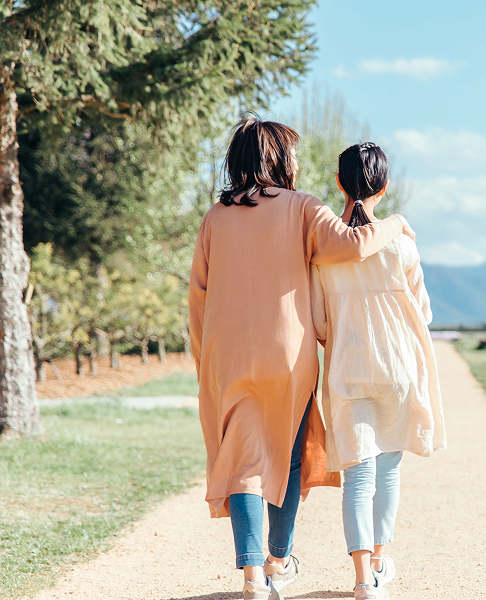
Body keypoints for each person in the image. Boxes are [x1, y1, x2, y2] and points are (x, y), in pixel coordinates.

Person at [188, 119, 417, 600]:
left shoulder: (214, 217)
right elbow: (354, 245)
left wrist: (203, 362)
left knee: (243, 462)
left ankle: (254, 578)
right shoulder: (303, 208)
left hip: (226, 356)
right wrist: (395, 223)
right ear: (281, 159)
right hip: (288, 355)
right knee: (289, 458)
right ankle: (277, 556)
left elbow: (199, 299)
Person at [311, 142, 446, 600]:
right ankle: (381, 562)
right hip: (398, 367)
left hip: (348, 366)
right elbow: (422, 312)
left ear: (338, 183)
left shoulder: (324, 251)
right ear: (384, 188)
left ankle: (361, 578)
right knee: (388, 470)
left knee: (357, 475)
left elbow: (319, 321)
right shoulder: (402, 245)